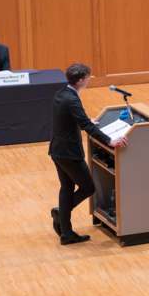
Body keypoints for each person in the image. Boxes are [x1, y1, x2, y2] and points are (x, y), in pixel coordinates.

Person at [49, 63, 128, 245]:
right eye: (87, 77)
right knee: (88, 188)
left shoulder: (61, 93)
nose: (89, 79)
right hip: (69, 154)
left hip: (57, 150)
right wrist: (110, 141)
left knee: (66, 188)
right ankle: (61, 213)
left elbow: (69, 118)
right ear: (80, 80)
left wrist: (83, 120)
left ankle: (66, 233)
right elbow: (87, 126)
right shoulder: (73, 100)